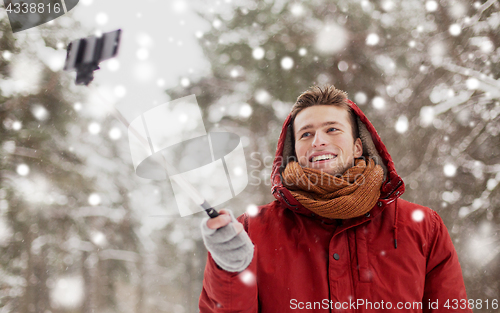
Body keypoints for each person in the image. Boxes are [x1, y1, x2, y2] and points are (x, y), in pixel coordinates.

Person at [199, 85, 472, 312]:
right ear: (295, 152)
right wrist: (229, 268)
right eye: (306, 134)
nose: (318, 140)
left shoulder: (423, 227)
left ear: (357, 147)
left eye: (332, 129)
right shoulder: (253, 231)